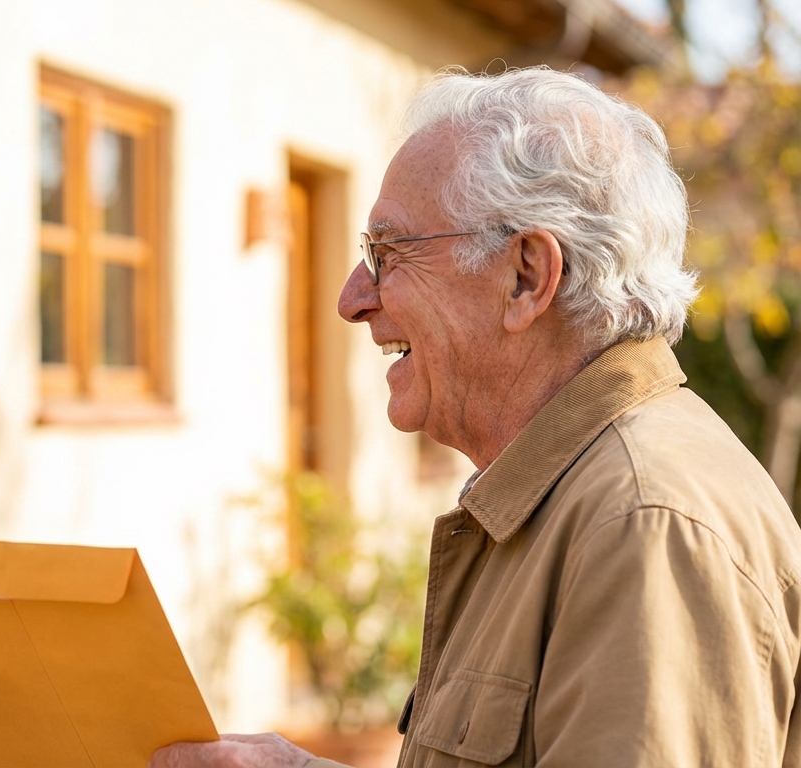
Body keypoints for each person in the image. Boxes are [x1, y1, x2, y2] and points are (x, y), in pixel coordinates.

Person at [153, 67, 801, 768]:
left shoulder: (642, 523)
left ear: (526, 275)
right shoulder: (578, 496)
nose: (352, 299)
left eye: (387, 252)